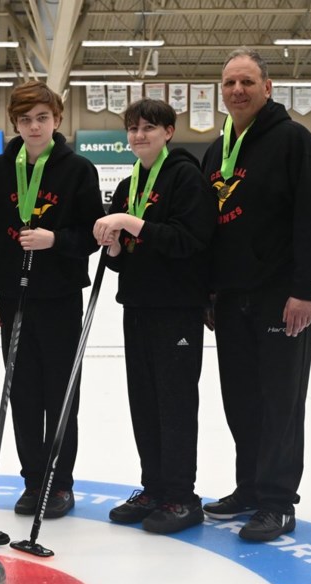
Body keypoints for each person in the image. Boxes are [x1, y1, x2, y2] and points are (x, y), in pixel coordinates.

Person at [200, 48, 311, 541]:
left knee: (279, 400)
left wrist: (304, 290)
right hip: (232, 299)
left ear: (267, 87)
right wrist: (209, 291)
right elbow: (211, 229)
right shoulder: (217, 151)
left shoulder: (294, 141)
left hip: (281, 297)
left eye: (247, 81)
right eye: (230, 82)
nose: (237, 90)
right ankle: (249, 488)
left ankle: (277, 502)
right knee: (240, 397)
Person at [93, 99, 216, 534]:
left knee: (175, 401)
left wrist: (131, 222)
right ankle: (154, 487)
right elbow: (124, 260)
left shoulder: (186, 176)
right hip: (139, 307)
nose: (139, 135)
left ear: (168, 131)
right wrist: (112, 246)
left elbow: (190, 240)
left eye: (149, 127)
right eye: (133, 128)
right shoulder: (128, 184)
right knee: (144, 400)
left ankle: (182, 495)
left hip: (177, 309)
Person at [0, 81, 102, 518]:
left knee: (60, 395)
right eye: (26, 119)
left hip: (59, 299)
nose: (34, 127)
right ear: (14, 122)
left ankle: (59, 482)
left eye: (43, 118)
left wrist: (57, 240)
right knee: (25, 396)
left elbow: (93, 234)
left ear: (57, 120)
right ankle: (33, 480)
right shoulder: (0, 170)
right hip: (13, 301)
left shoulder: (78, 170)